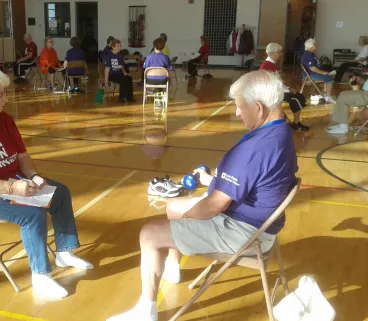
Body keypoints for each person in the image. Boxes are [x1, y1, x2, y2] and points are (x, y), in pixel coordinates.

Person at [106, 70, 298, 321]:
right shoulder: (281, 131)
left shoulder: (256, 148)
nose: (237, 112)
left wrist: (189, 216)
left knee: (149, 234)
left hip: (245, 232)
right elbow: (254, 180)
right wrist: (215, 181)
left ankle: (146, 312)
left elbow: (214, 206)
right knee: (173, 207)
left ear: (259, 107)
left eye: (240, 107)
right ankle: (172, 269)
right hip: (261, 223)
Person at [0, 66, 93, 299]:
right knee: (32, 214)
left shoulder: (3, 120)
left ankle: (64, 252)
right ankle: (40, 276)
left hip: (10, 181)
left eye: (5, 93)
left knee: (60, 194)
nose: (6, 98)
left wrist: (33, 176)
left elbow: (22, 157)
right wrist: (13, 188)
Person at [261, 43, 309, 131]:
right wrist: (287, 90)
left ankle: (296, 122)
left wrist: (288, 88)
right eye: (279, 52)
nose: (280, 54)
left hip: (276, 90)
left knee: (300, 96)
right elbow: (273, 84)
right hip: (272, 93)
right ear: (274, 53)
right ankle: (296, 123)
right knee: (296, 99)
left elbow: (277, 82)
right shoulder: (267, 66)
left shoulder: (270, 64)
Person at [301, 38, 335, 103]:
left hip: (311, 73)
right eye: (315, 45)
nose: (316, 46)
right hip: (309, 74)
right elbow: (313, 69)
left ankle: (319, 95)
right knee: (330, 79)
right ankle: (328, 97)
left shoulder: (311, 54)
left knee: (328, 75)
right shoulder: (308, 55)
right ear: (311, 46)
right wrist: (324, 73)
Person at [104, 39, 135, 103]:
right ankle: (122, 98)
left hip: (119, 73)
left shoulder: (120, 56)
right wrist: (106, 81)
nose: (119, 48)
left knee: (129, 78)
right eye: (117, 46)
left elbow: (122, 66)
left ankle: (130, 97)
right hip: (111, 74)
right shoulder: (108, 55)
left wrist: (124, 73)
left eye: (120, 46)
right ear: (113, 47)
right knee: (123, 79)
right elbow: (107, 69)